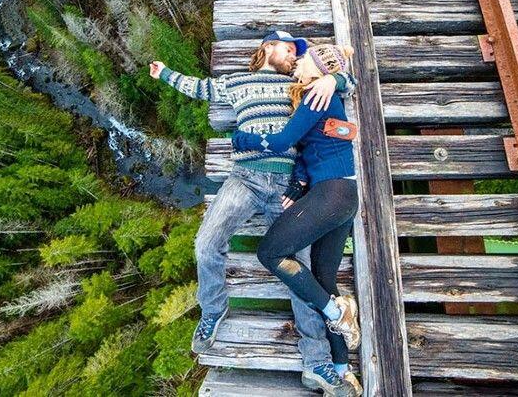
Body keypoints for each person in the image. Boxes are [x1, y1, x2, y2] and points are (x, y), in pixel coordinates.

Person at [149, 31, 358, 396]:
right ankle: (212, 309)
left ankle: (318, 362)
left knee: (300, 269)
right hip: (243, 179)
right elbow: (198, 87)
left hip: (288, 187)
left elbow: (348, 82)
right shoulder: (236, 81)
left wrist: (332, 77)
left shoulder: (300, 87)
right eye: (288, 49)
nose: (293, 56)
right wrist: (164, 72)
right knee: (205, 241)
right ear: (267, 48)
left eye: (298, 53)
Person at [231, 44, 363, 396]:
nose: (298, 62)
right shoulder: (322, 92)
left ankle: (335, 312)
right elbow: (311, 147)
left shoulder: (315, 95)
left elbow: (282, 141)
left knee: (270, 253)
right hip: (343, 196)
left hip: (332, 194)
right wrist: (299, 180)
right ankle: (341, 368)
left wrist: (242, 138)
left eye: (303, 59)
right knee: (323, 278)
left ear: (317, 68)